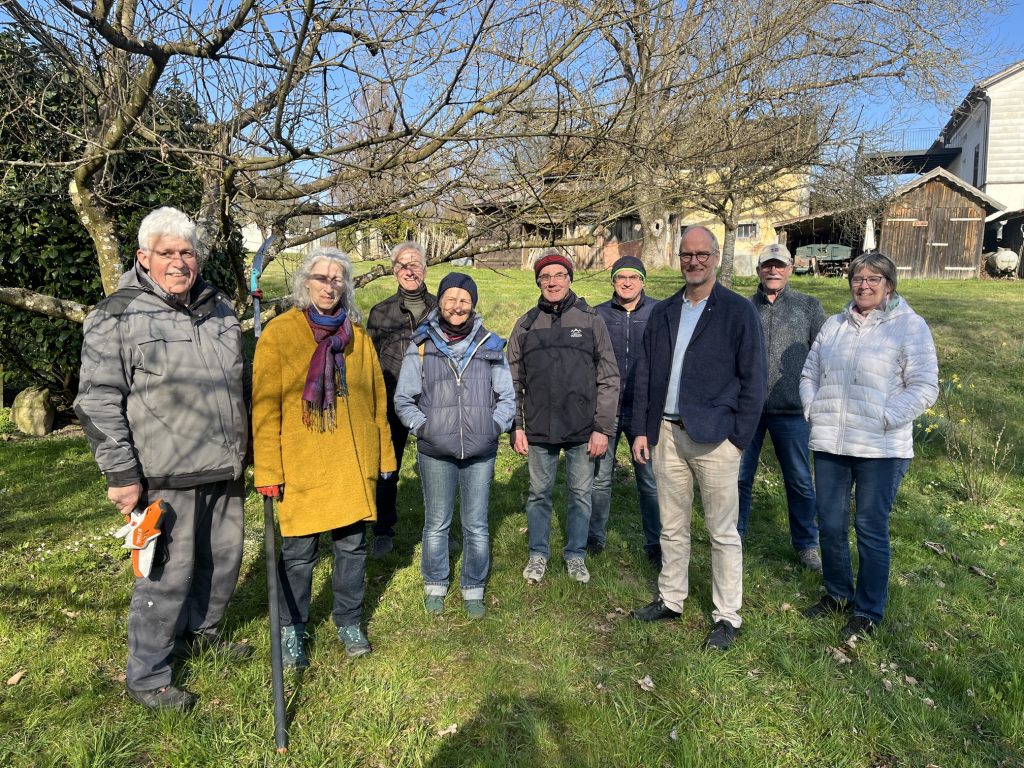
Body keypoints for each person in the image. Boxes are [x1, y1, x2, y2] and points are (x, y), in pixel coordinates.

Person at [74, 206, 250, 712]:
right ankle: (148, 675)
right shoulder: (117, 314)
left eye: (187, 252)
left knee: (222, 563)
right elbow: (97, 399)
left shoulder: (220, 308)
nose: (179, 262)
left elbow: (241, 384)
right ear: (143, 257)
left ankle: (202, 634)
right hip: (163, 472)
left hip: (224, 467)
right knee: (166, 576)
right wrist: (121, 473)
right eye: (167, 252)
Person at [253, 247, 395, 668]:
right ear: (305, 283)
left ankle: (348, 620)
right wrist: (268, 468)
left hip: (352, 459)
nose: (329, 286)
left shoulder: (358, 337)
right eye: (321, 278)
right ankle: (292, 628)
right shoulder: (280, 334)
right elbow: (264, 407)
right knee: (299, 553)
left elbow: (377, 400)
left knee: (352, 547)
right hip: (302, 462)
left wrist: (384, 454)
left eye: (337, 279)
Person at [629, 225, 766, 651]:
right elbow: (645, 374)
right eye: (687, 254)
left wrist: (738, 439)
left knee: (722, 532)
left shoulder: (737, 311)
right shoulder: (665, 311)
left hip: (715, 438)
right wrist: (641, 429)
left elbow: (755, 380)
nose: (694, 261)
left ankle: (727, 616)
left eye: (702, 254)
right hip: (666, 434)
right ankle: (671, 598)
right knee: (672, 526)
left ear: (716, 257)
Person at [800, 251, 937, 640]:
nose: (864, 286)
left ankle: (868, 610)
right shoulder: (834, 325)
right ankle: (838, 593)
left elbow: (924, 386)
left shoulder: (909, 326)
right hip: (831, 442)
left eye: (873, 279)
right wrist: (813, 409)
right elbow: (809, 374)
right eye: (858, 279)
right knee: (830, 523)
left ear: (889, 285)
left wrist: (883, 417)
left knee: (870, 527)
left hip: (881, 447)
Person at [394, 273, 516, 618]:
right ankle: (435, 582)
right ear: (441, 302)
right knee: (437, 523)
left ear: (472, 304)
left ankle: (473, 587)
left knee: (476, 524)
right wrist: (425, 428)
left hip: (481, 450)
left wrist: (493, 427)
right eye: (451, 298)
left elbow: (507, 397)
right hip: (435, 451)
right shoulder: (422, 344)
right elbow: (404, 399)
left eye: (464, 300)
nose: (457, 306)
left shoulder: (490, 344)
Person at [507, 250, 619, 585]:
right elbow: (511, 380)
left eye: (559, 275)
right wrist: (516, 426)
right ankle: (538, 553)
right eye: (545, 277)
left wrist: (602, 428)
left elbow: (609, 377)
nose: (552, 282)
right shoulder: (526, 325)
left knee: (580, 495)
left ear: (569, 279)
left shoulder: (590, 320)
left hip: (582, 428)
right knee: (538, 494)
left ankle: (575, 554)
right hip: (539, 428)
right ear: (538, 282)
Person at [737, 243, 826, 570]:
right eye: (767, 265)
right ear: (759, 270)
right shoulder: (744, 307)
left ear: (790, 268)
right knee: (739, 477)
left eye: (779, 265)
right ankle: (734, 537)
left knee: (799, 479)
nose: (773, 271)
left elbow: (823, 354)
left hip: (792, 410)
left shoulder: (808, 306)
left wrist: (813, 397)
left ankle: (807, 544)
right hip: (749, 410)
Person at [589, 255, 662, 567]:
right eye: (621, 277)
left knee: (650, 481)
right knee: (600, 479)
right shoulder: (598, 314)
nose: (627, 283)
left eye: (634, 277)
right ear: (613, 282)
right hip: (607, 407)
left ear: (643, 282)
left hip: (644, 409)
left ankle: (656, 542)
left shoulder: (658, 311)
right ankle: (594, 536)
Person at [366, 242, 437, 558]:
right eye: (402, 265)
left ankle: (438, 529)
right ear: (394, 271)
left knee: (437, 467)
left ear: (425, 269)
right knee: (387, 467)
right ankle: (383, 530)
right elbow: (369, 361)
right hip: (393, 399)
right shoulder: (381, 312)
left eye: (415, 264)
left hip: (434, 400)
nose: (409, 271)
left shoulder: (440, 309)